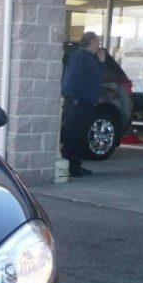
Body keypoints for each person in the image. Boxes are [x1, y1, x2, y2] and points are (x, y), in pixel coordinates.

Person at [61, 31, 106, 177]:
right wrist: (74, 98)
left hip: (86, 102)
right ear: (91, 41)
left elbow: (97, 78)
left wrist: (101, 62)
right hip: (78, 102)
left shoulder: (91, 58)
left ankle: (76, 165)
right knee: (73, 134)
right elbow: (71, 78)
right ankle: (70, 167)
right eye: (97, 41)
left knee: (80, 134)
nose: (98, 45)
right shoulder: (79, 56)